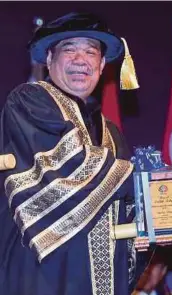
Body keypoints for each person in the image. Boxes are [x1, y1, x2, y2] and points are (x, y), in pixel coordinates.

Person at [0, 11, 161, 295]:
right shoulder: (29, 102)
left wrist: (159, 216)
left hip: (98, 282)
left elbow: (124, 211)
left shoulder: (111, 133)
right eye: (69, 50)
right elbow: (68, 167)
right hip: (41, 276)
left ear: (101, 66)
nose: (80, 60)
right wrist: (141, 179)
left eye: (90, 52)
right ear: (49, 59)